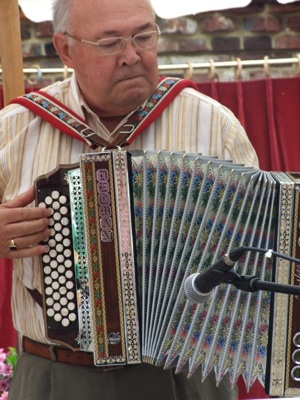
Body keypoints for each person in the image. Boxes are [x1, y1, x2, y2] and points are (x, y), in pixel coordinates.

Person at [0, 0, 259, 399]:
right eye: (109, 43)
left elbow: (259, 248)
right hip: (56, 376)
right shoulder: (15, 129)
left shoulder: (214, 126)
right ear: (65, 49)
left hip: (185, 375)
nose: (132, 56)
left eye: (144, 36)